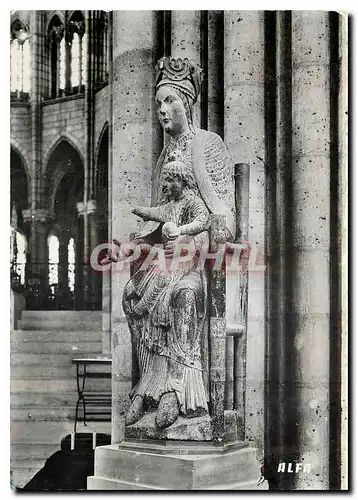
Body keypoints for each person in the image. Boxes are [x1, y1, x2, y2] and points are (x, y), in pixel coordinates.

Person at [120, 57, 236, 432]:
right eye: (157, 105)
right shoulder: (163, 160)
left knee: (184, 297)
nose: (161, 111)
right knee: (131, 295)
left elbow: (224, 222)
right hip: (166, 257)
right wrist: (144, 238)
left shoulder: (209, 145)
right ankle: (150, 384)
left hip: (199, 261)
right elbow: (158, 216)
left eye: (169, 101)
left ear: (187, 102)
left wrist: (189, 232)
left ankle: (179, 390)